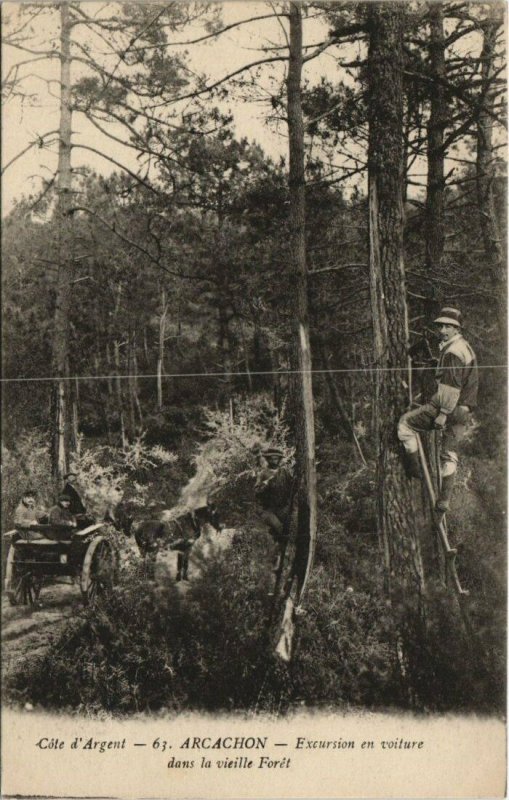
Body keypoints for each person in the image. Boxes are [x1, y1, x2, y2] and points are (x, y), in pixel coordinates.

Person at [398, 307, 478, 516]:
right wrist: (437, 365)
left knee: (405, 425)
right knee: (449, 455)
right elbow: (459, 376)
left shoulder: (452, 352)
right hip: (464, 410)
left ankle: (416, 474)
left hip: (449, 407)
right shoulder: (463, 347)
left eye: (447, 326)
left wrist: (442, 413)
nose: (442, 330)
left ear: (456, 328)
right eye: (441, 325)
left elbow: (451, 387)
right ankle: (444, 501)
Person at [255, 447, 293, 571]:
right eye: (272, 458)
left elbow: (293, 487)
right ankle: (278, 559)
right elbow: (257, 491)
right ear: (268, 459)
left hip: (284, 509)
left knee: (284, 535)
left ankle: (279, 562)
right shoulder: (263, 473)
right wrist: (266, 484)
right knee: (280, 530)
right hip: (268, 510)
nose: (274, 460)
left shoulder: (285, 473)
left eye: (277, 458)